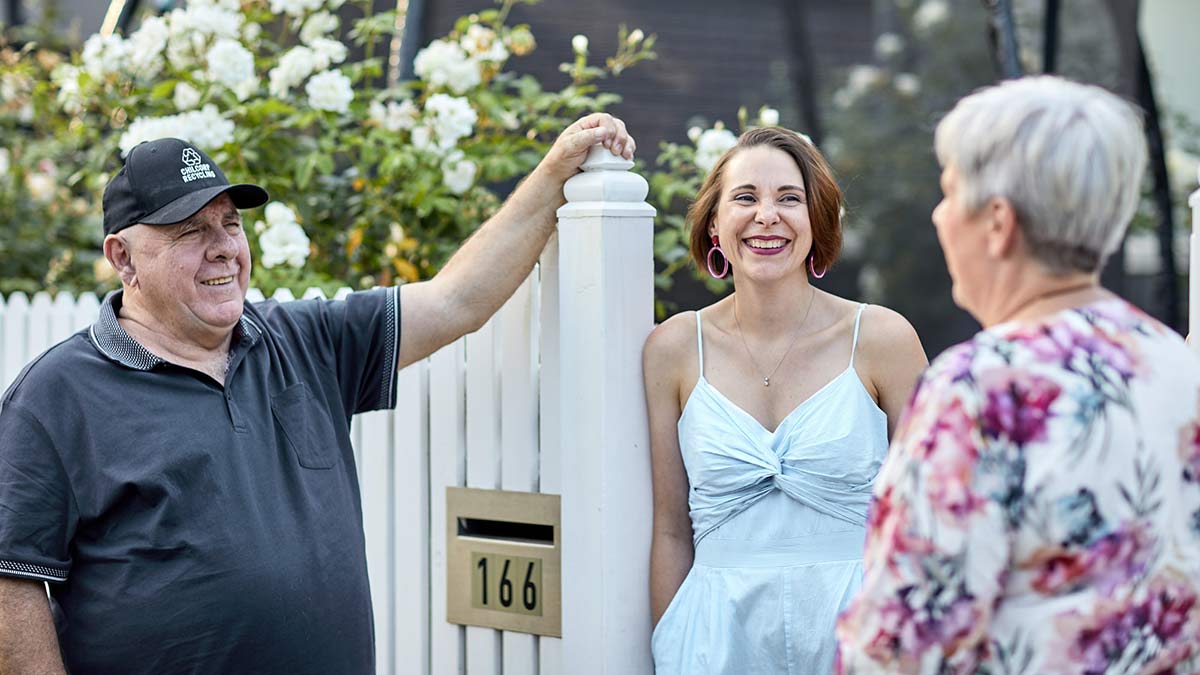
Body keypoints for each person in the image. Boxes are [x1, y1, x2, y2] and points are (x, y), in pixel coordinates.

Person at [0, 113, 634, 674]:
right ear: (123, 256)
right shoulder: (59, 394)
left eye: (230, 223)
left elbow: (456, 301)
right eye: (189, 231)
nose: (224, 247)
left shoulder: (304, 340)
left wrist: (555, 173)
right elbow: (12, 582)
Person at [835, 76, 1200, 673]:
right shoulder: (1178, 367)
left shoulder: (980, 387)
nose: (938, 215)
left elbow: (899, 647)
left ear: (999, 223)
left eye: (949, 192)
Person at [643, 126, 928, 674]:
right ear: (714, 228)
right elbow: (671, 528)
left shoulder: (884, 340)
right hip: (714, 638)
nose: (767, 216)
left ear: (817, 223)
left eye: (789, 199)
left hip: (862, 636)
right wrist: (670, 644)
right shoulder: (673, 350)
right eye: (745, 198)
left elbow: (932, 514)